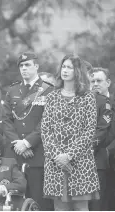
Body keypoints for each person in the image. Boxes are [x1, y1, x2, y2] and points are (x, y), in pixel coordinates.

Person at [41, 54, 100, 211]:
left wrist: (69, 155)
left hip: (80, 161)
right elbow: (46, 129)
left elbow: (89, 130)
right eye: (63, 66)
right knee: (60, 208)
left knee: (81, 207)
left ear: (78, 71)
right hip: (55, 162)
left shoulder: (88, 97)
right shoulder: (52, 97)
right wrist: (57, 156)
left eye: (69, 67)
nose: (65, 70)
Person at [2, 52, 53, 211]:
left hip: (37, 154)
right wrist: (18, 144)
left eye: (27, 65)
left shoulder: (48, 90)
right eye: (21, 66)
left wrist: (27, 142)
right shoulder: (12, 90)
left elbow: (48, 122)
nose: (24, 68)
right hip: (15, 153)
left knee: (38, 201)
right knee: (13, 201)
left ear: (36, 66)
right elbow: (6, 120)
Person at [88, 66, 113, 211]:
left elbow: (106, 131)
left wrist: (109, 150)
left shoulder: (110, 102)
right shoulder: (85, 102)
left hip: (105, 157)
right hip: (91, 159)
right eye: (93, 81)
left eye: (99, 80)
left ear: (108, 82)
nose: (95, 84)